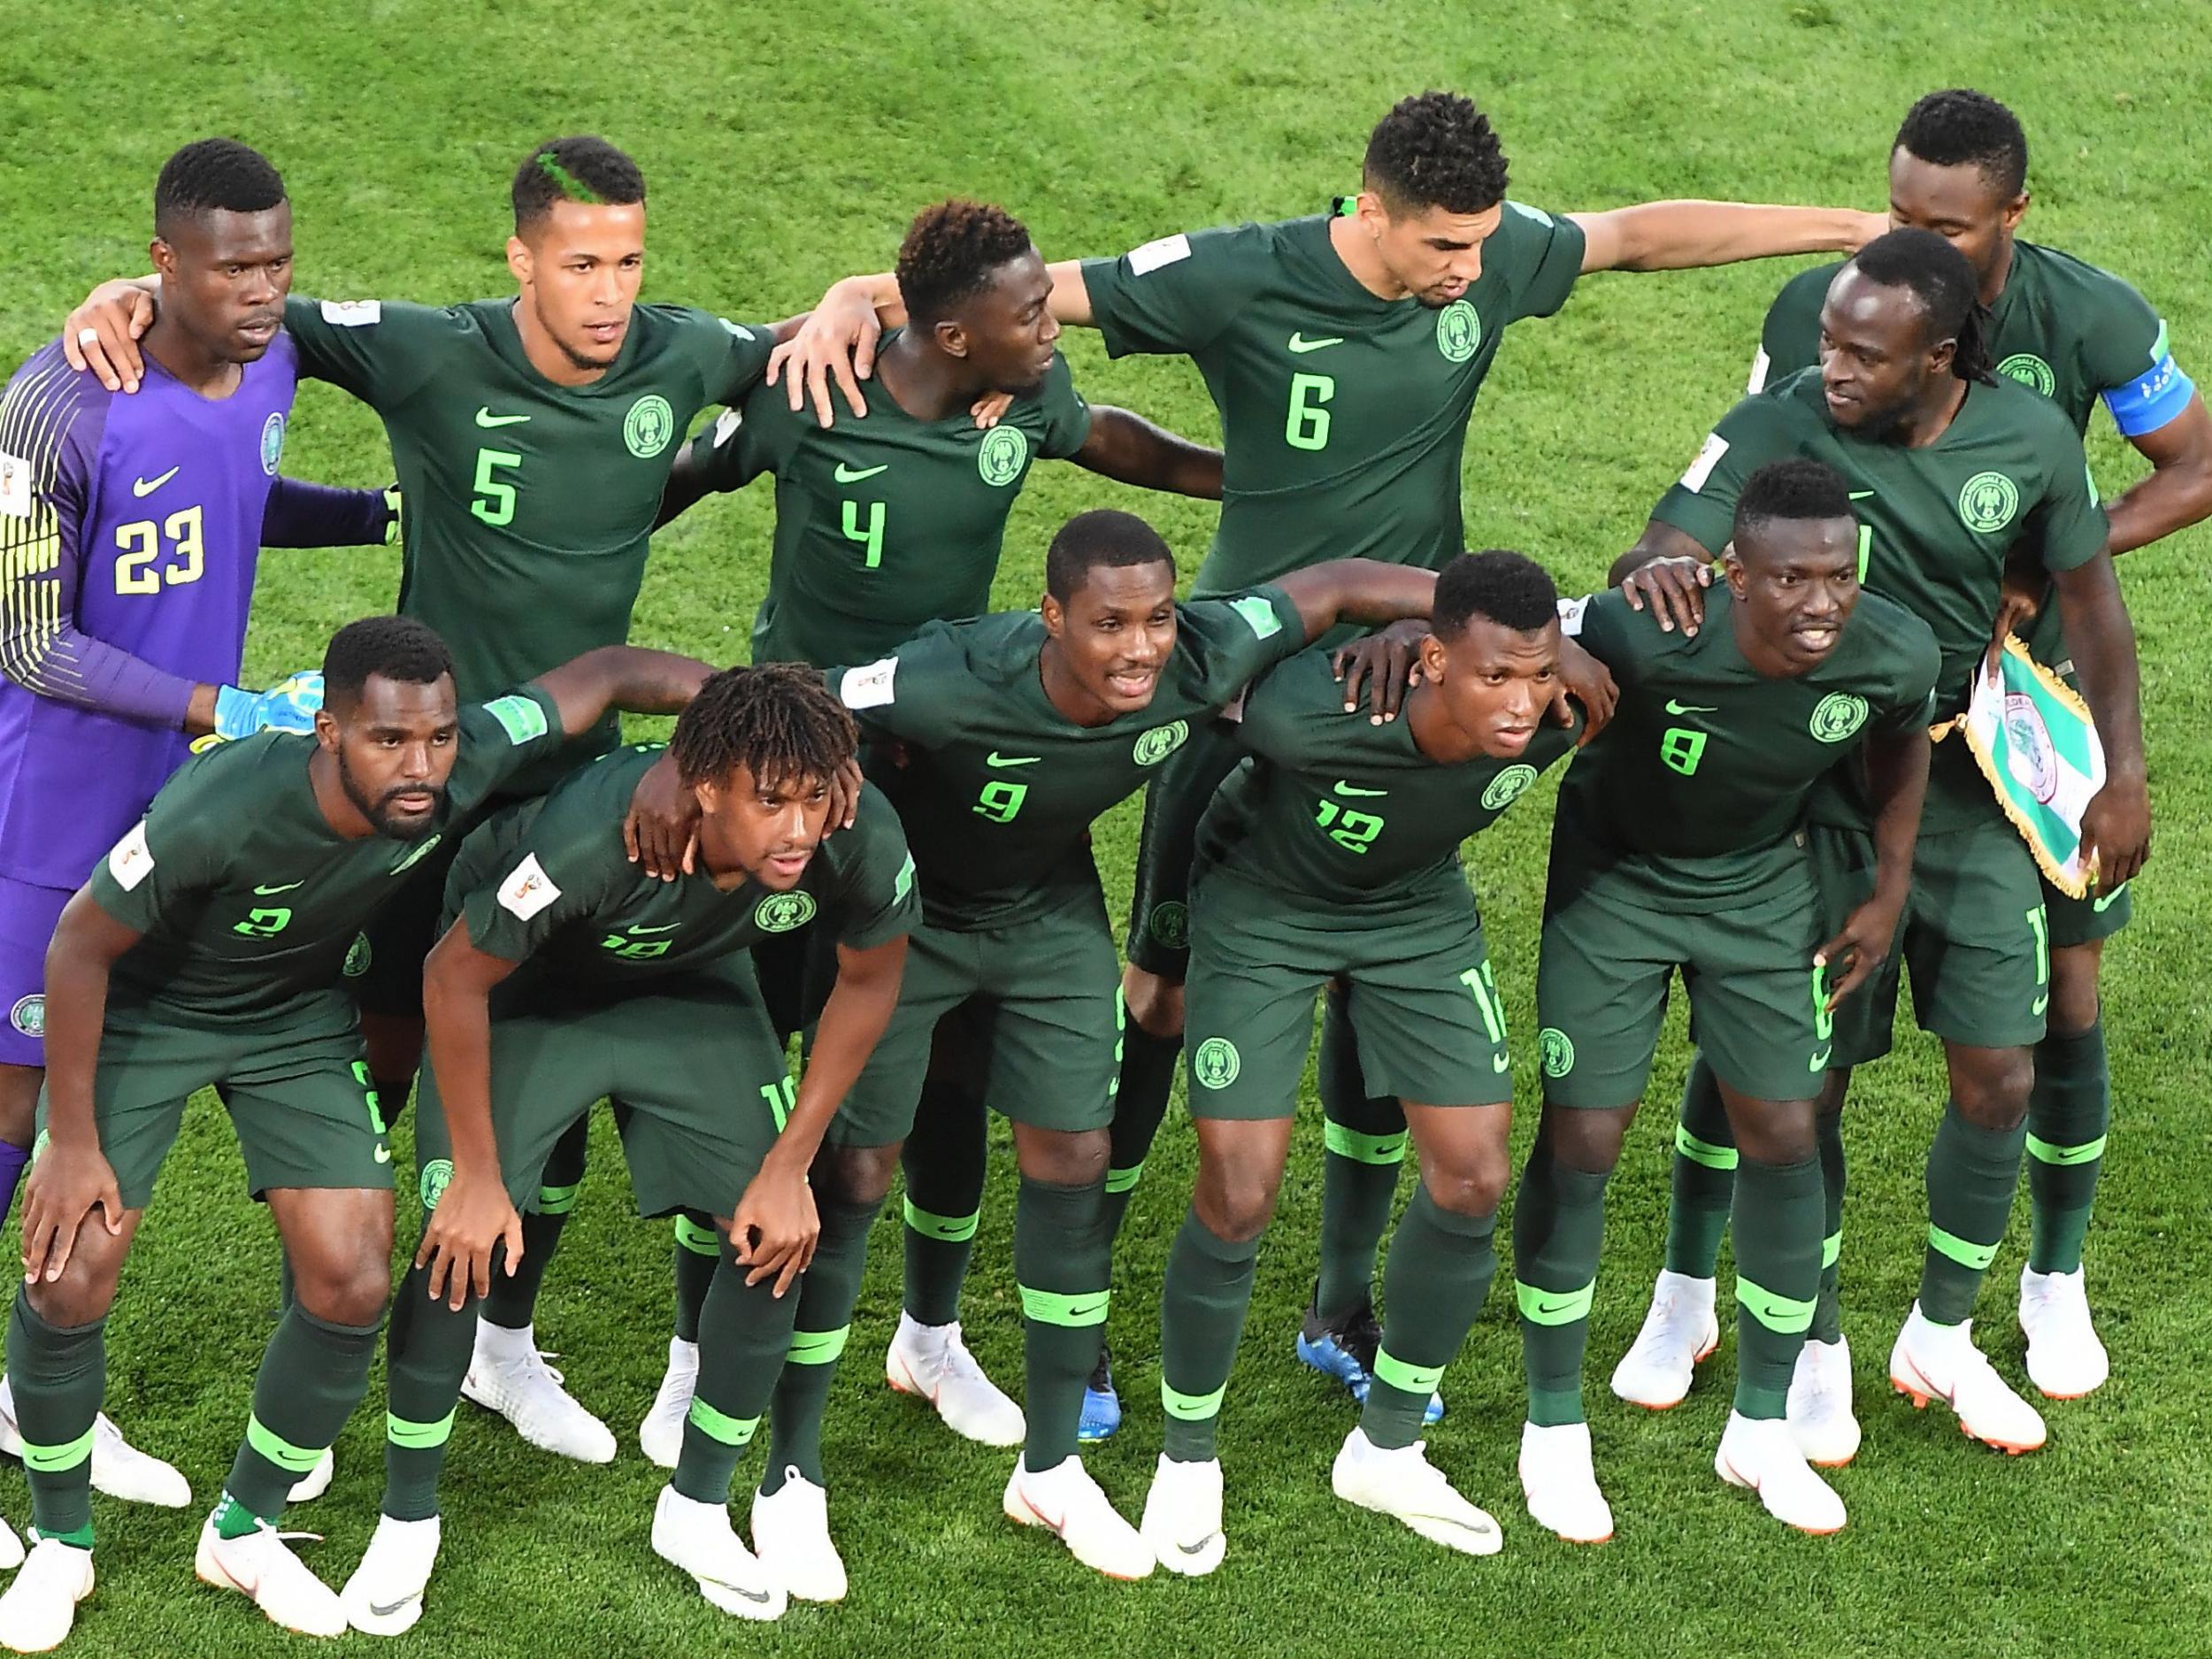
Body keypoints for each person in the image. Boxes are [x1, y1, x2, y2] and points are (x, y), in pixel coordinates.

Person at [773, 87, 1863, 1428]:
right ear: (1369, 208)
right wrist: (850, 291)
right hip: (1234, 691)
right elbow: (1012, 296)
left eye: (1479, 247)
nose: (1470, 271)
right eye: (1444, 248)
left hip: (1415, 675)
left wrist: (1860, 224)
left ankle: (1341, 1301)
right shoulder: (1238, 275)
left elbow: (1638, 234)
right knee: (1161, 999)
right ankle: (1093, 1306)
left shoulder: (1490, 258)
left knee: (1377, 969)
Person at [62, 134, 817, 1465]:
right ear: (521, 256)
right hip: (424, 777)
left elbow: (809, 337)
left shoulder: (685, 354)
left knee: (548, 1031)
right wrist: (125, 295)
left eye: (629, 261)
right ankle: (351, 1257)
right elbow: (245, 301)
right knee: (395, 1028)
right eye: (581, 261)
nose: (608, 292)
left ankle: (500, 1344)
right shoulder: (431, 351)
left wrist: (865, 293)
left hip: (577, 781)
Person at [1632, 88, 2211, 1405]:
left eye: (1944, 224)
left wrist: (2051, 560)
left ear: (2012, 216)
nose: (1912, 240)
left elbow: (2191, 467)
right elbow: (1741, 492)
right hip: (1831, 737)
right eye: (1897, 214)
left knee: (2052, 1016)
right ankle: (1706, 1298)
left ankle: (2037, 1287)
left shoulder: (2086, 323)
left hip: (2009, 736)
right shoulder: (1819, 330)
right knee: (1777, 1036)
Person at [638, 196, 1222, 1463]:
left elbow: (1111, 437)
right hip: (788, 774)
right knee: (749, 1055)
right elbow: (680, 473)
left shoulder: (1017, 407)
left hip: (930, 768)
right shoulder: (816, 392)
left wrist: (1238, 475)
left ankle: (930, 1334)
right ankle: (694, 1355)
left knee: (945, 1057)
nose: (1055, 324)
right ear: (953, 334)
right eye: (1032, 313)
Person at [0, 618, 710, 1652]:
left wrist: (729, 720)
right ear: (329, 731)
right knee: (74, 1268)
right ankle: (62, 1543)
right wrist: (70, 1137)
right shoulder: (226, 800)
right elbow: (79, 945)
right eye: (388, 741)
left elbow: (602, 674)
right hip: (154, 1014)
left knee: (352, 1278)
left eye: (434, 739)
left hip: (293, 1021)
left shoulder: (459, 759)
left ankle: (245, 1529)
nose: (419, 767)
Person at [0, 135, 399, 1531]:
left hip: (177, 807)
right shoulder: (57, 403)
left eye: (279, 262)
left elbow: (230, 500)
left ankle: (28, 1394)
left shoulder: (274, 363)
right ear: (162, 262)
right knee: (16, 1104)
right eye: (235, 267)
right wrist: (216, 699)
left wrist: (376, 517)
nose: (265, 290)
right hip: (52, 807)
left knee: (104, 1087)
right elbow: (28, 639)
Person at [341, 664, 914, 1631]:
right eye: (770, 803)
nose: (799, 830)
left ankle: (694, 1508)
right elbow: (452, 979)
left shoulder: (852, 827)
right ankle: (406, 1521)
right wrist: (477, 1178)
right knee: (458, 1241)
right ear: (703, 788)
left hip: (686, 987)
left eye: (813, 800)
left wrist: (787, 1167)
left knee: (773, 1234)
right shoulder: (592, 837)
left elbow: (868, 982)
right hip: (524, 992)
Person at [1512, 461, 1938, 1545]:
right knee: (1585, 1138)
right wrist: (1562, 642)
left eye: (1838, 577)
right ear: (1731, 575)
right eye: (1790, 580)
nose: (1821, 603)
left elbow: (1897, 749)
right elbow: (1501, 631)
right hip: (1617, 889)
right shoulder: (1646, 626)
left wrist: (1888, 889)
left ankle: (1759, 1428)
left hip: (1758, 892)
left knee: (1787, 1135)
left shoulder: (1891, 647)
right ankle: (1552, 1429)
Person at [1141, 549, 1579, 1571]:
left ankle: (1386, 1447)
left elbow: (1652, 620)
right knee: (1240, 1193)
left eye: (1539, 675)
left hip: (1415, 915)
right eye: (1495, 678)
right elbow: (1186, 699)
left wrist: (1583, 655)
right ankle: (1187, 1459)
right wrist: (1156, 943)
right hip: (1264, 908)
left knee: (1472, 1176)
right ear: (1429, 661)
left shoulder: (1564, 706)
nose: (1521, 705)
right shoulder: (1306, 711)